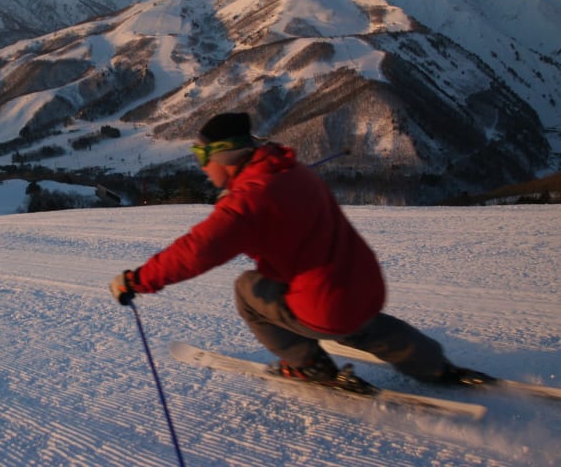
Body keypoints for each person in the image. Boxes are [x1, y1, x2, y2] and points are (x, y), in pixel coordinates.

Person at [110, 112, 488, 387]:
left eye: (201, 157)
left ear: (223, 157)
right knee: (364, 324)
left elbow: (195, 252)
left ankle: (309, 364)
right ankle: (434, 366)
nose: (202, 168)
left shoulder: (248, 203)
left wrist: (136, 280)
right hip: (367, 286)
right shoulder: (291, 171)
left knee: (248, 289)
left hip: (326, 305)